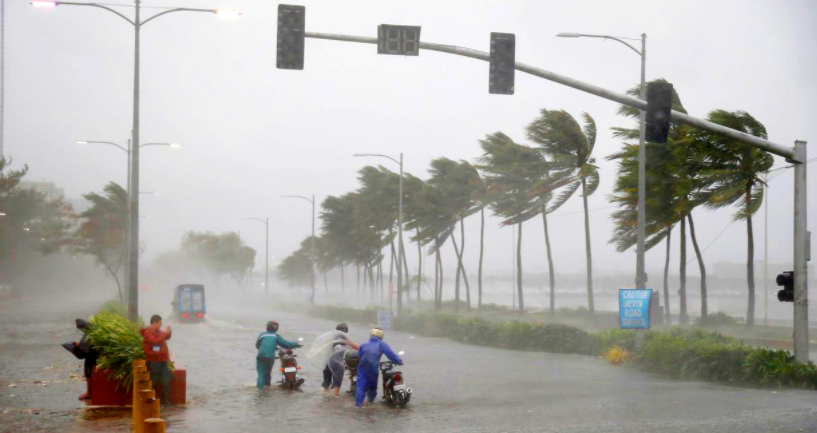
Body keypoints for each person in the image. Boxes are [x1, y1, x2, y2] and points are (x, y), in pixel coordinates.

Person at [355, 327, 403, 408]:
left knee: (360, 387)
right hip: (373, 369)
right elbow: (391, 355)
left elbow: (360, 356)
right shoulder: (381, 344)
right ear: (381, 336)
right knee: (372, 388)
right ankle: (369, 403)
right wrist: (399, 361)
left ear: (371, 334)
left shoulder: (363, 344)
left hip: (362, 368)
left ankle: (359, 406)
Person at [256, 320, 301, 389]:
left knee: (261, 374)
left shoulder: (262, 334)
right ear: (276, 328)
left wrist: (270, 348)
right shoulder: (276, 336)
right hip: (270, 357)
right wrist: (297, 344)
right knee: (267, 373)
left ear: (267, 327)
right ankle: (267, 389)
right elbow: (286, 344)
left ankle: (260, 391)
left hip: (260, 356)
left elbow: (257, 345)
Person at [140, 315, 172, 403]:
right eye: (159, 323)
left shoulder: (159, 331)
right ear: (153, 322)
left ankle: (167, 401)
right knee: (153, 380)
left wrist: (168, 332)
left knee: (166, 380)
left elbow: (165, 338)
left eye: (161, 323)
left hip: (163, 359)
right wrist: (164, 333)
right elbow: (155, 341)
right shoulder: (148, 332)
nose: (160, 325)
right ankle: (151, 400)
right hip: (154, 360)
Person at [320, 323, 359, 397]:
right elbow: (356, 347)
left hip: (326, 362)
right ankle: (334, 400)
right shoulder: (343, 337)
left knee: (326, 382)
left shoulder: (331, 337)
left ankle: (324, 398)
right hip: (336, 363)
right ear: (346, 331)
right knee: (337, 383)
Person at [73, 318, 99, 400]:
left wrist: (78, 346)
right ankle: (90, 392)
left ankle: (89, 393)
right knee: (89, 374)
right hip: (94, 356)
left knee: (89, 375)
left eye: (80, 328)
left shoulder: (89, 334)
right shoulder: (93, 331)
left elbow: (87, 347)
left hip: (91, 357)